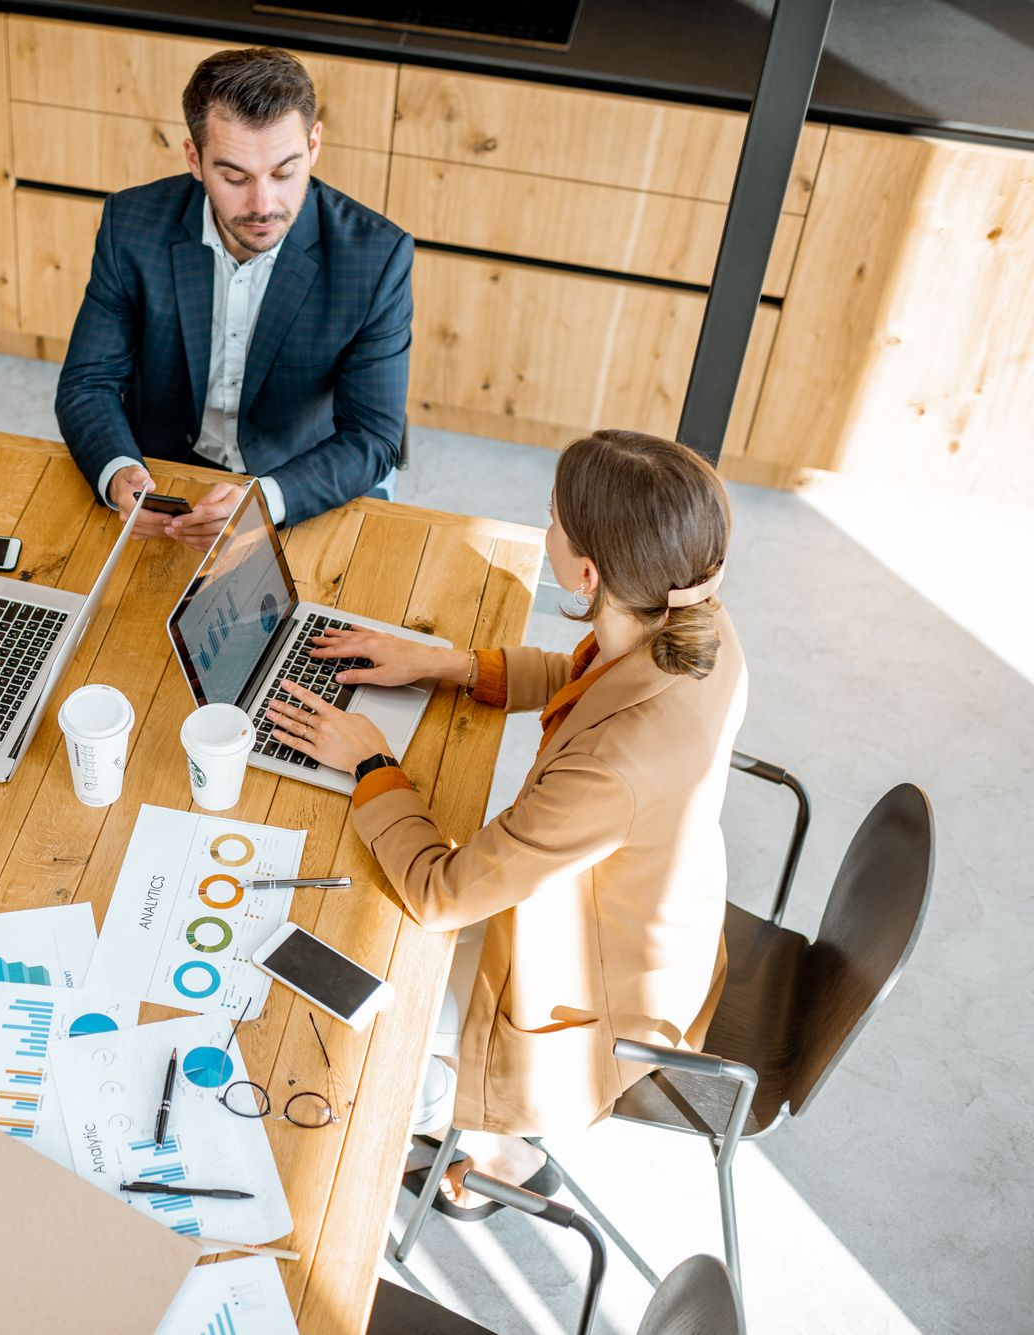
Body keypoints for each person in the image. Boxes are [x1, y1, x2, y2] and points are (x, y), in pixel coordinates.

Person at [259, 429, 745, 1211]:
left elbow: (441, 892)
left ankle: (489, 1144)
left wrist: (371, 763)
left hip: (586, 1009)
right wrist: (448, 664)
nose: (543, 526)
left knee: (338, 1021)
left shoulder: (612, 769)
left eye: (551, 517)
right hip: (648, 928)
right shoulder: (697, 626)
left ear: (586, 572)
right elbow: (584, 680)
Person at [55, 46, 413, 552]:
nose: (263, 205)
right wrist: (118, 471)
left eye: (284, 173)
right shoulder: (130, 225)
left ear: (313, 145)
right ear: (194, 159)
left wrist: (265, 500)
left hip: (297, 480)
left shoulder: (377, 256)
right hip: (163, 473)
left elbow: (374, 437)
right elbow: (88, 382)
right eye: (235, 177)